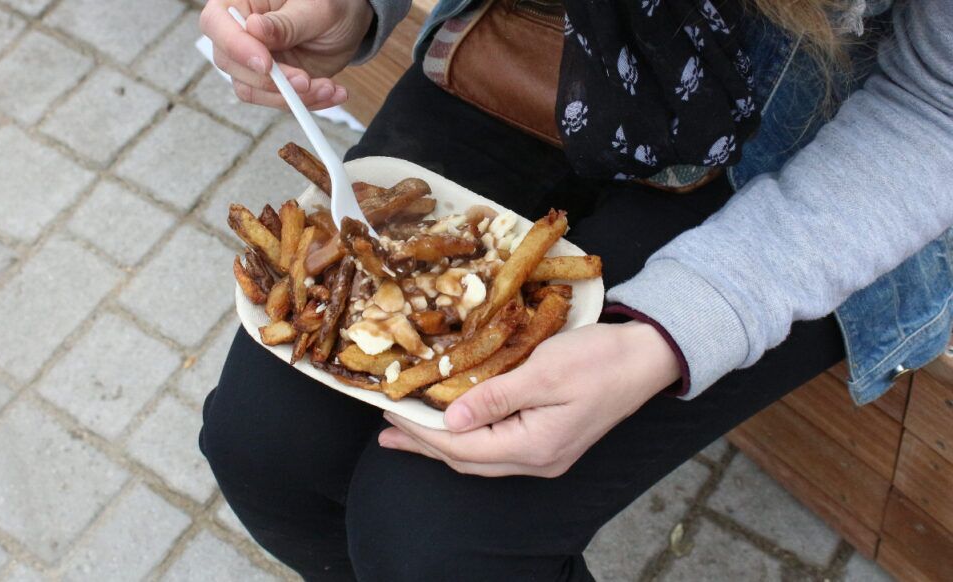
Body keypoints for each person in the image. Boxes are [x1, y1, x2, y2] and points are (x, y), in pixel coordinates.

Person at [197, 0, 953, 579]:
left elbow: (936, 110)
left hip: (820, 138)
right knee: (262, 447)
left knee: (439, 537)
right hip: (547, 35)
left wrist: (673, 332)